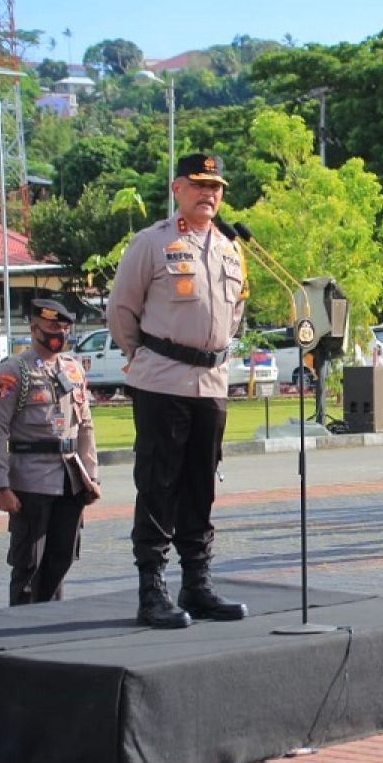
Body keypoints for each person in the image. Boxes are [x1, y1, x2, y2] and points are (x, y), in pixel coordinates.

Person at [108, 152, 248, 629]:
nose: (209, 194)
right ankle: (152, 589)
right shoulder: (151, 243)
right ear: (177, 189)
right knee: (158, 484)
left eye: (216, 187)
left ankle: (197, 583)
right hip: (162, 380)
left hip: (211, 383)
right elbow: (122, 311)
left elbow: (234, 316)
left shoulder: (230, 249)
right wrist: (142, 358)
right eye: (199, 185)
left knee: (200, 484)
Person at [0, 299, 100, 606]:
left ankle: (47, 619)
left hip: (70, 478)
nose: (59, 334)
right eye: (52, 327)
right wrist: (1, 486)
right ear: (34, 328)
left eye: (64, 328)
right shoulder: (13, 372)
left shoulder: (73, 370)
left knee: (62, 557)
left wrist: (92, 475)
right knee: (28, 561)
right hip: (30, 480)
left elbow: (86, 426)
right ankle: (19, 624)